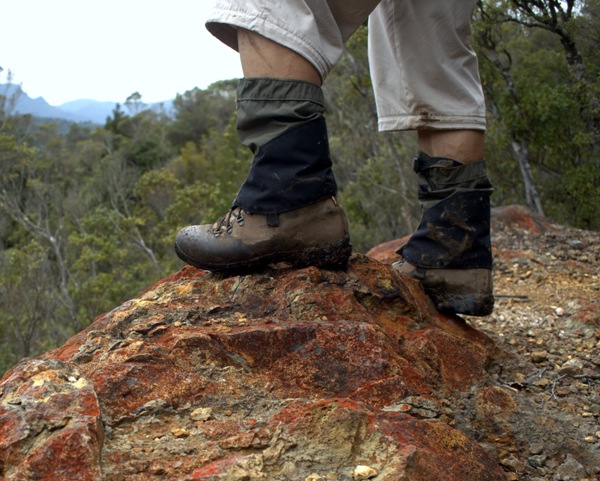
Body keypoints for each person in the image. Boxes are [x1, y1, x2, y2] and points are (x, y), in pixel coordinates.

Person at [174, 0, 494, 316]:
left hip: (284, 206)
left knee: (274, 6)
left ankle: (287, 203)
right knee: (435, 56)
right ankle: (453, 251)